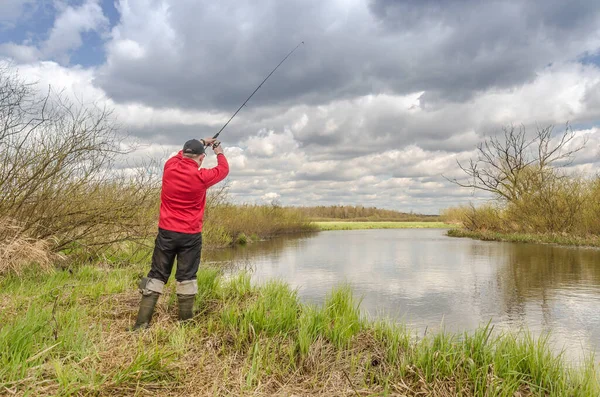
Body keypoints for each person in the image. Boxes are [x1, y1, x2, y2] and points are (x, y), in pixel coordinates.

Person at [130, 137, 229, 330]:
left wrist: (201, 141)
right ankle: (185, 324)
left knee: (156, 274)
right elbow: (223, 169)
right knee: (187, 277)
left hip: (166, 232)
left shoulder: (170, 167)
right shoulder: (202, 177)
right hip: (190, 235)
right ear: (201, 158)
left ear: (183, 154)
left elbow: (179, 155)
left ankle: (141, 324)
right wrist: (218, 150)